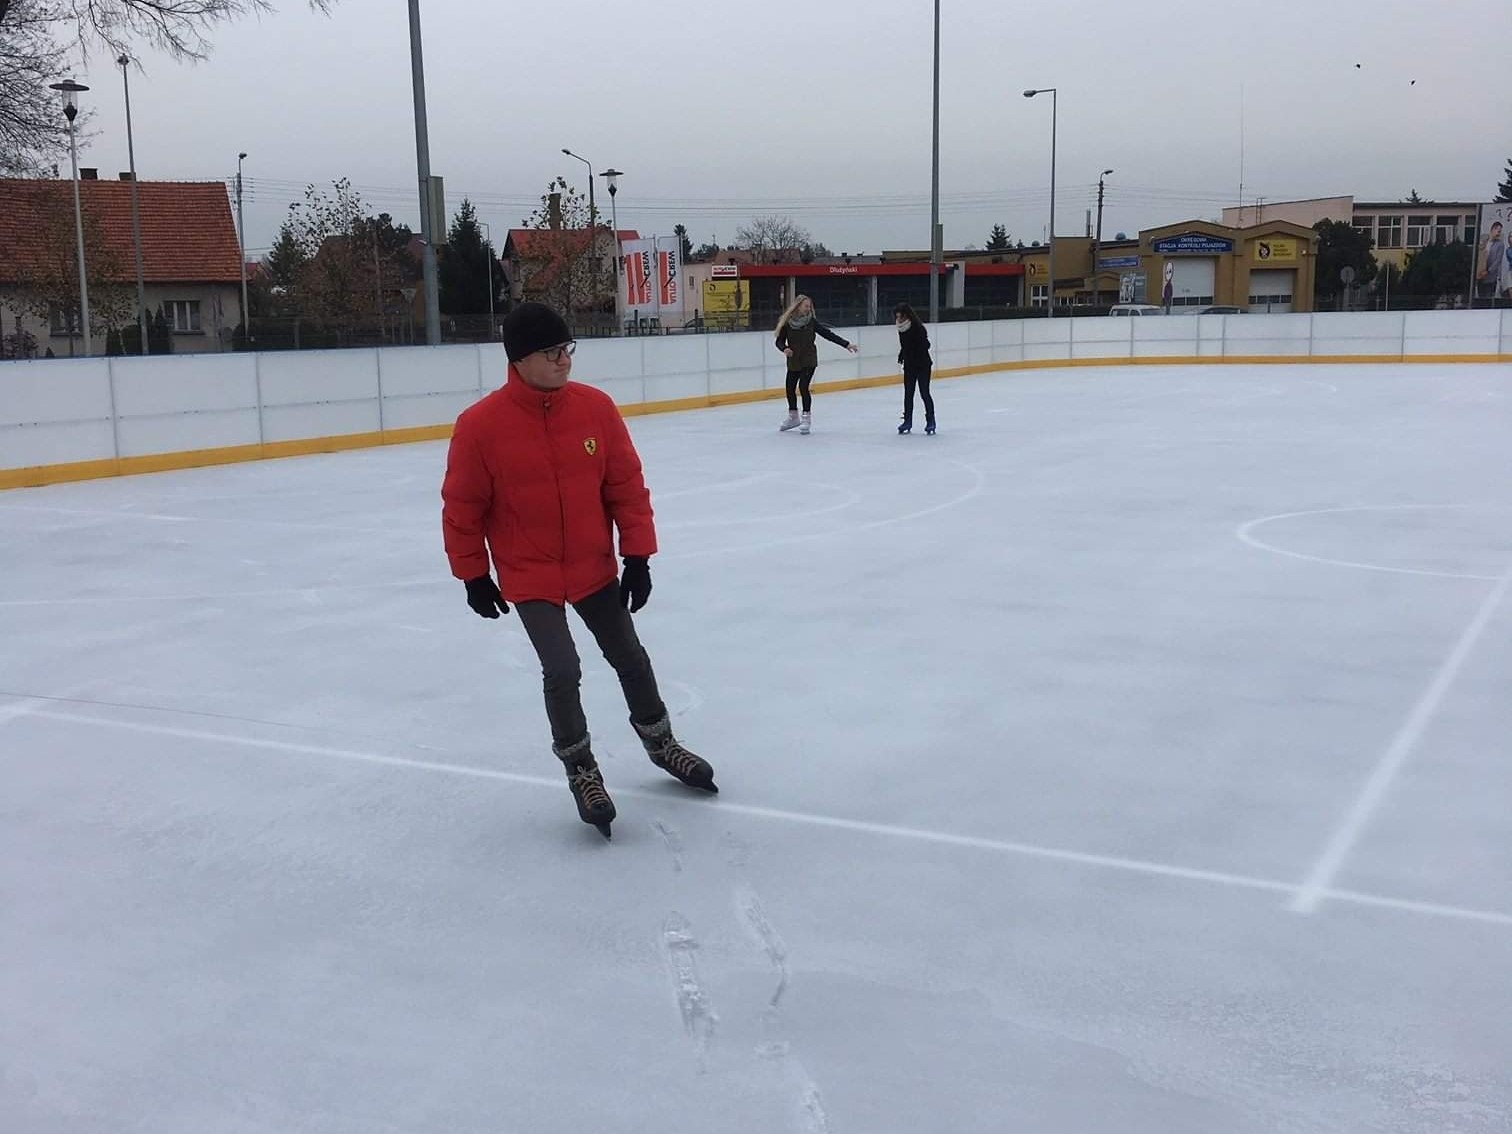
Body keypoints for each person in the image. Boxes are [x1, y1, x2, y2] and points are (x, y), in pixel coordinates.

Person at [441, 301, 717, 839]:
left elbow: (626, 489)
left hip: (593, 567)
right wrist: (472, 574)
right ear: (519, 359)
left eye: (567, 349)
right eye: (551, 352)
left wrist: (637, 555)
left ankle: (661, 742)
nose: (564, 360)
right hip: (530, 575)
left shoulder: (595, 409)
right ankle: (581, 768)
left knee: (630, 657)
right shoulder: (480, 427)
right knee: (563, 670)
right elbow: (462, 507)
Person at [773, 294, 859, 434]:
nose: (808, 309)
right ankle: (793, 416)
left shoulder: (811, 322)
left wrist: (846, 344)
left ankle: (806, 417)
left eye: (809, 306)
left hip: (809, 359)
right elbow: (779, 341)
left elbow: (827, 334)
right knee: (789, 388)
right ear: (798, 306)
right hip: (794, 359)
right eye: (806, 306)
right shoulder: (788, 323)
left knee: (803, 386)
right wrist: (785, 349)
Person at [893, 303, 935, 435]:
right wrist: (902, 354)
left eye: (900, 316)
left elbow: (926, 344)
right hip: (910, 365)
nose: (898, 319)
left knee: (924, 392)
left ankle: (931, 420)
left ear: (907, 315)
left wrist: (914, 351)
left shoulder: (917, 328)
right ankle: (907, 421)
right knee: (908, 393)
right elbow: (905, 345)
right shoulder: (901, 328)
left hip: (922, 365)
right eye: (897, 316)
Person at [1476, 220, 1504, 300]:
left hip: (1491, 277)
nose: (1499, 233)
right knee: (1480, 298)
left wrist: (1488, 271)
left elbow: (1498, 261)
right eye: (1498, 231)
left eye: (1500, 232)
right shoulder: (1484, 241)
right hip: (1480, 276)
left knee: (1488, 299)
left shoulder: (1500, 244)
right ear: (1492, 230)